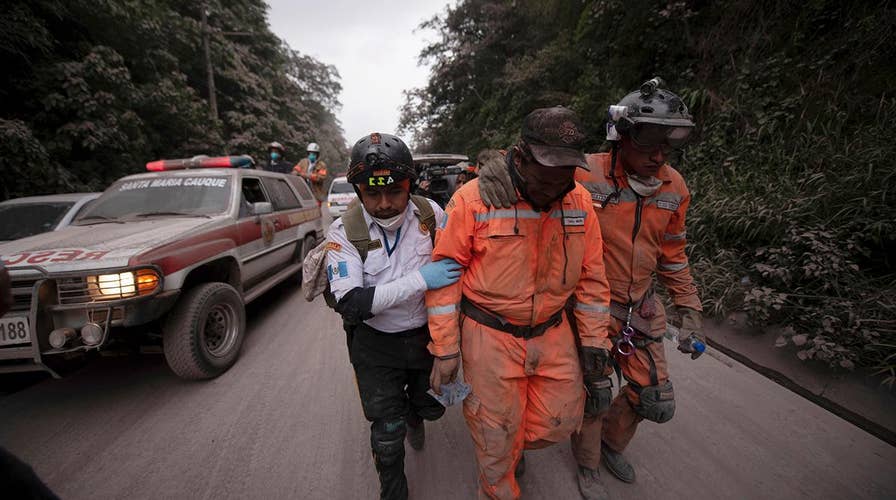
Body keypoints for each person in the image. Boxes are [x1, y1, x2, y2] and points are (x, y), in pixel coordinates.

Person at [478, 78, 706, 497]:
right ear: (621, 136)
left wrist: (689, 309)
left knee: (654, 398)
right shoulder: (585, 174)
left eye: (667, 145)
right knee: (595, 391)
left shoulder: (675, 188)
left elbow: (673, 254)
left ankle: (609, 445)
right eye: (648, 142)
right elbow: (534, 169)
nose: (658, 156)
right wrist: (492, 162)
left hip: (640, 308)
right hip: (583, 306)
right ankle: (587, 465)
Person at [426, 106, 613, 500]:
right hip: (489, 336)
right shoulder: (474, 199)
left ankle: (511, 447)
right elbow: (444, 279)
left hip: (552, 331)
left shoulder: (578, 201)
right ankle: (498, 479)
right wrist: (445, 348)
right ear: (521, 157)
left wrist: (595, 340)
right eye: (545, 175)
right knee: (496, 437)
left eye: (565, 175)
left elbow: (592, 277)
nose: (554, 187)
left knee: (560, 420)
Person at [326, 132, 462, 500]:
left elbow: (461, 265)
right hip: (375, 345)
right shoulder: (343, 232)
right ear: (359, 192)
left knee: (431, 407)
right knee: (387, 433)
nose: (384, 204)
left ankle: (415, 415)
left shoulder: (432, 215)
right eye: (372, 194)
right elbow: (351, 303)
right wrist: (421, 279)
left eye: (394, 192)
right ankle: (393, 490)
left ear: (410, 186)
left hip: (425, 339)